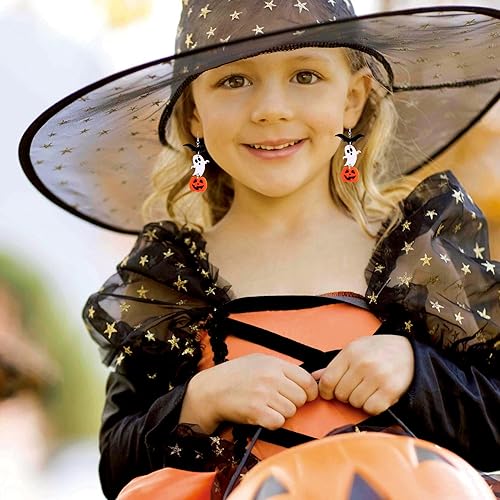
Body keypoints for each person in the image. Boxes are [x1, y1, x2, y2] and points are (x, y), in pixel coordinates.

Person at [18, 1, 500, 498]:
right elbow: (117, 468)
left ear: (353, 100)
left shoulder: (420, 257)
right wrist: (200, 401)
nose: (272, 108)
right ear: (193, 112)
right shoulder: (170, 281)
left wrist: (418, 370)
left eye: (306, 76)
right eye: (234, 81)